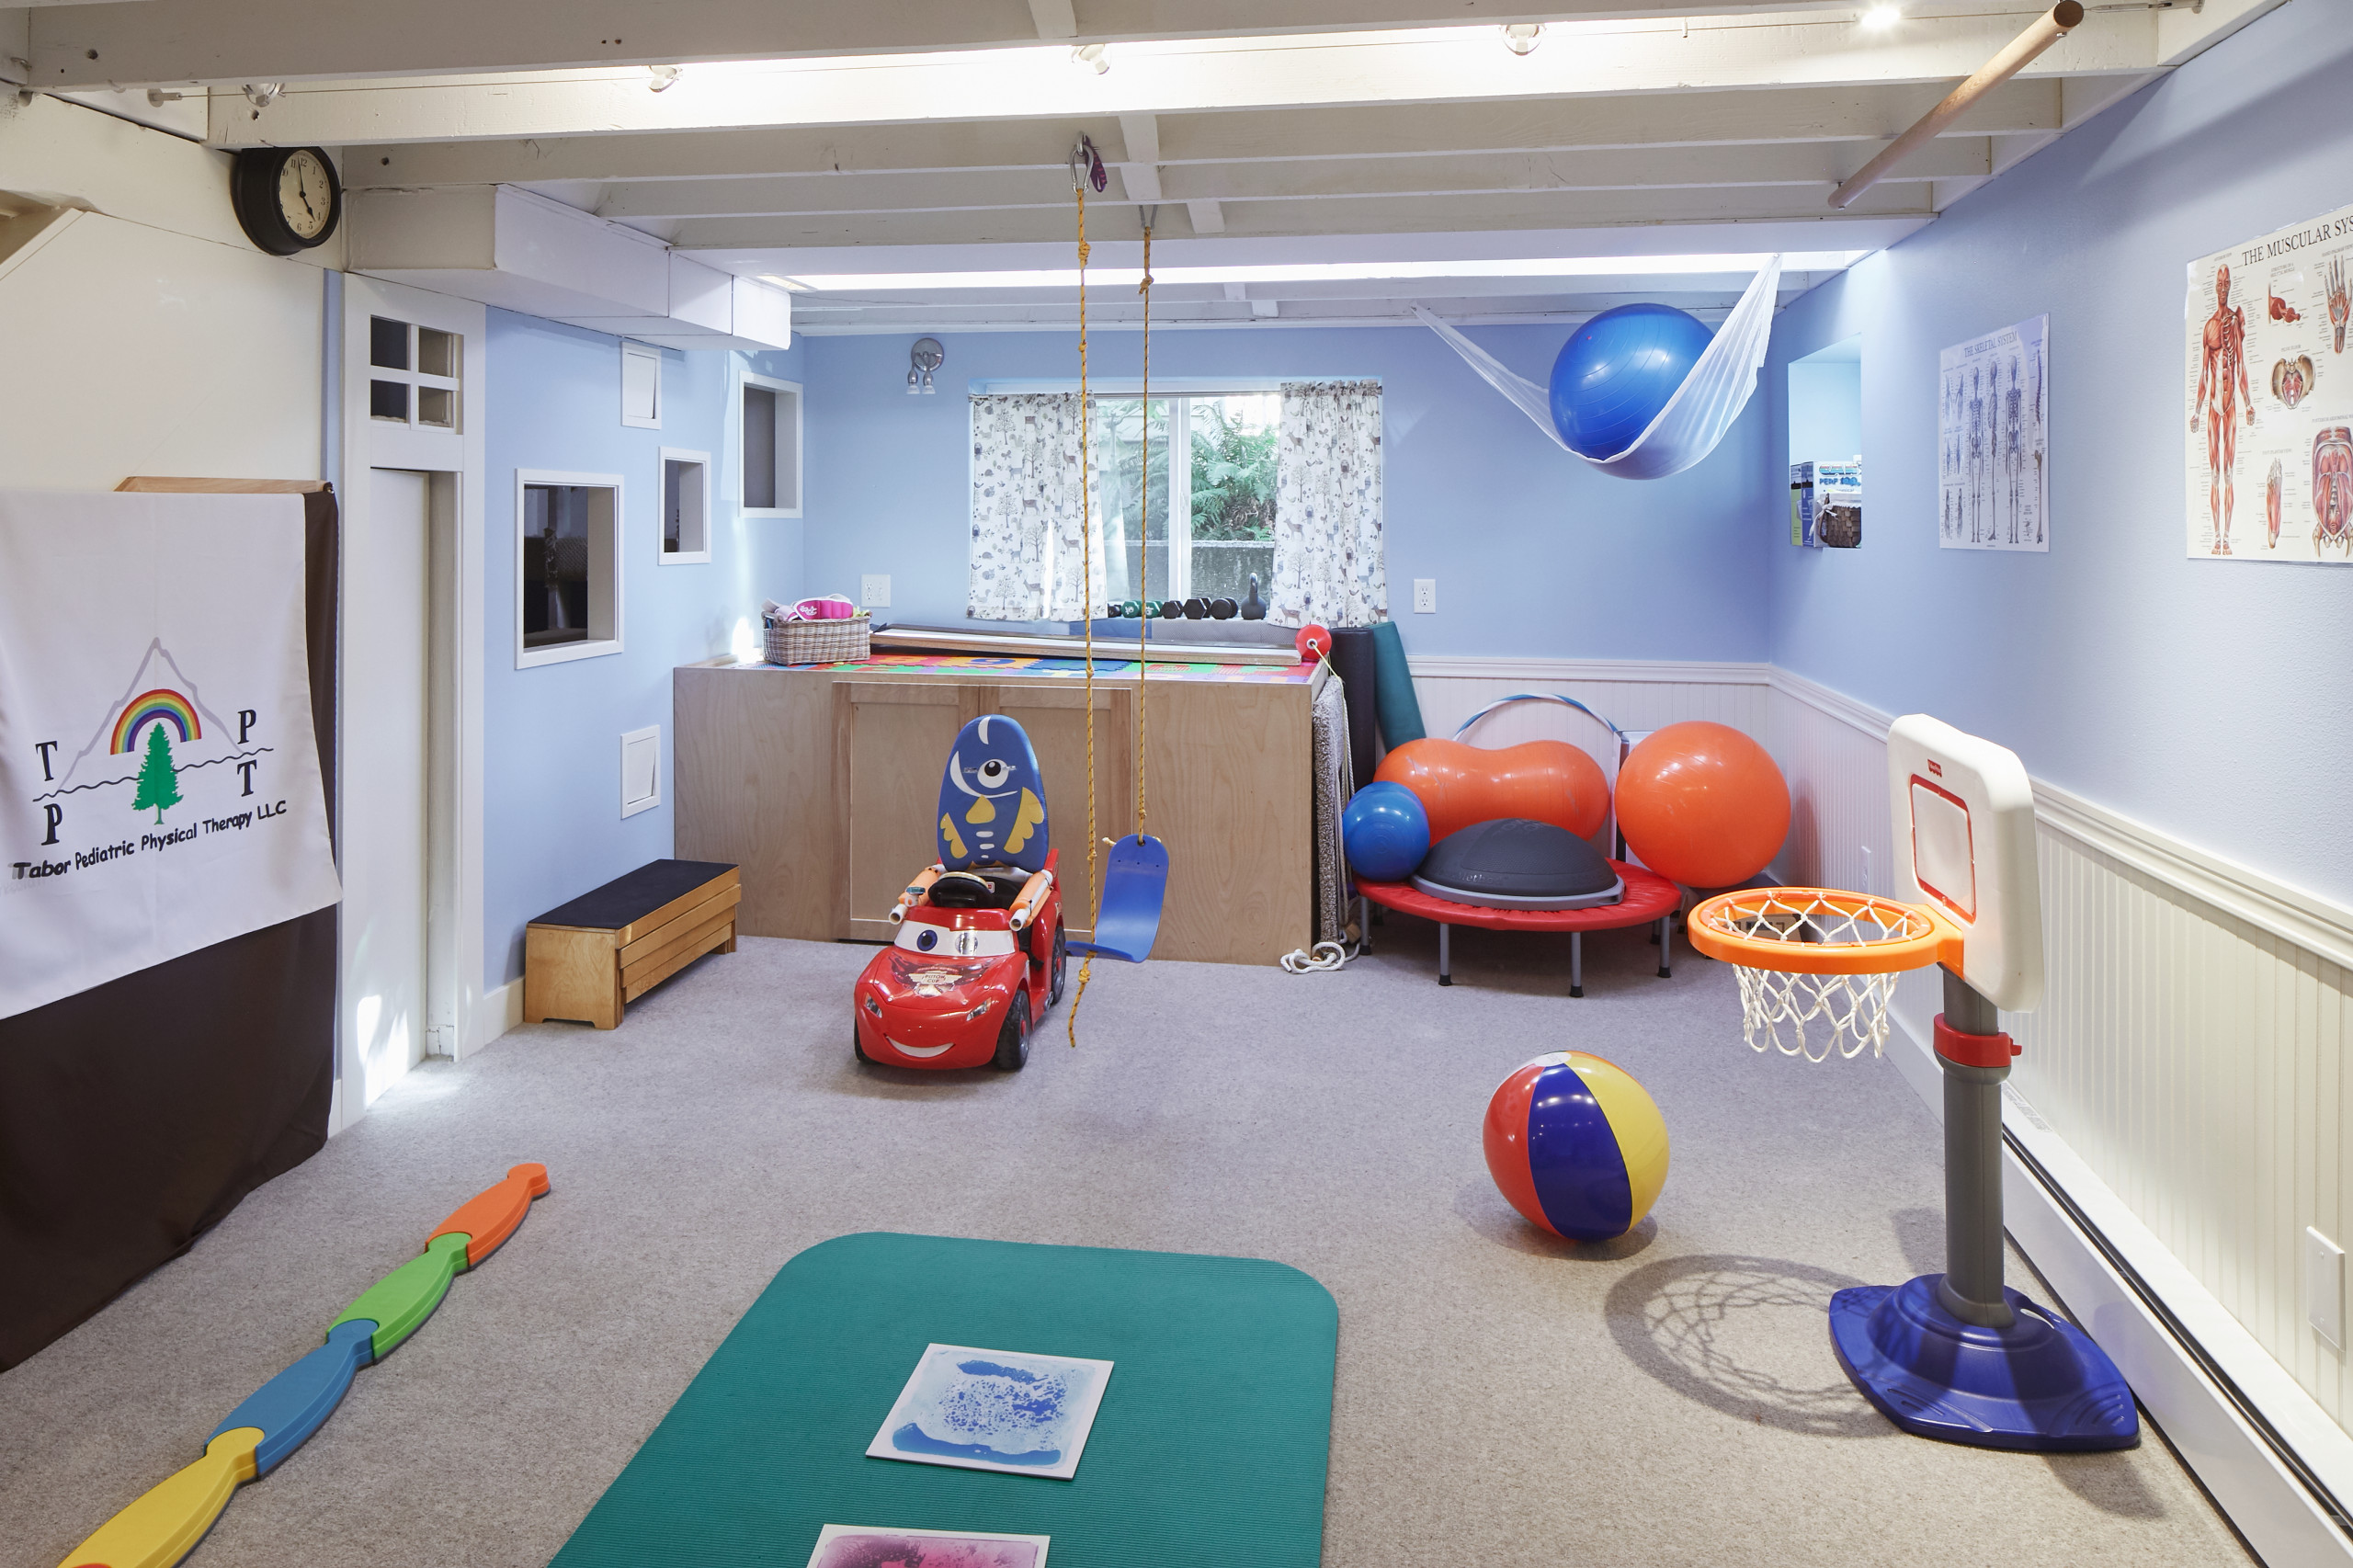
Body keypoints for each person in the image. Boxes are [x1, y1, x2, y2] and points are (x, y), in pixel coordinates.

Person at [2191, 264, 2255, 554]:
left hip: (2229, 406)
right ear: (2215, 287)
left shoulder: (2234, 323)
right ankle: (2215, 538)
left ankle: (2226, 539)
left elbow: (2240, 366)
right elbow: (2204, 373)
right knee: (2214, 474)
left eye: (2226, 283)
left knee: (2228, 473)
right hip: (2213, 407)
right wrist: (2196, 410)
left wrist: (2248, 402)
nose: (2223, 288)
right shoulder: (2209, 327)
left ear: (2230, 286)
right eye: (2219, 283)